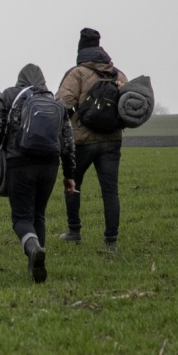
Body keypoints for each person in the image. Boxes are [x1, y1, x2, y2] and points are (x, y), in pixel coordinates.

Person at [0, 63, 77, 283]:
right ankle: (34, 265)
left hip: (20, 163)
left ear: (20, 79)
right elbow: (67, 141)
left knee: (21, 217)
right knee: (39, 215)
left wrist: (4, 146)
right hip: (50, 166)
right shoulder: (56, 102)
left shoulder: (10, 95)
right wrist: (69, 174)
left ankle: (33, 248)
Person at [56, 28, 129, 252]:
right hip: (112, 141)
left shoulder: (77, 73)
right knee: (110, 191)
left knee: (72, 184)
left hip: (82, 141)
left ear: (81, 50)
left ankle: (74, 231)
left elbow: (62, 104)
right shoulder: (118, 74)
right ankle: (111, 241)